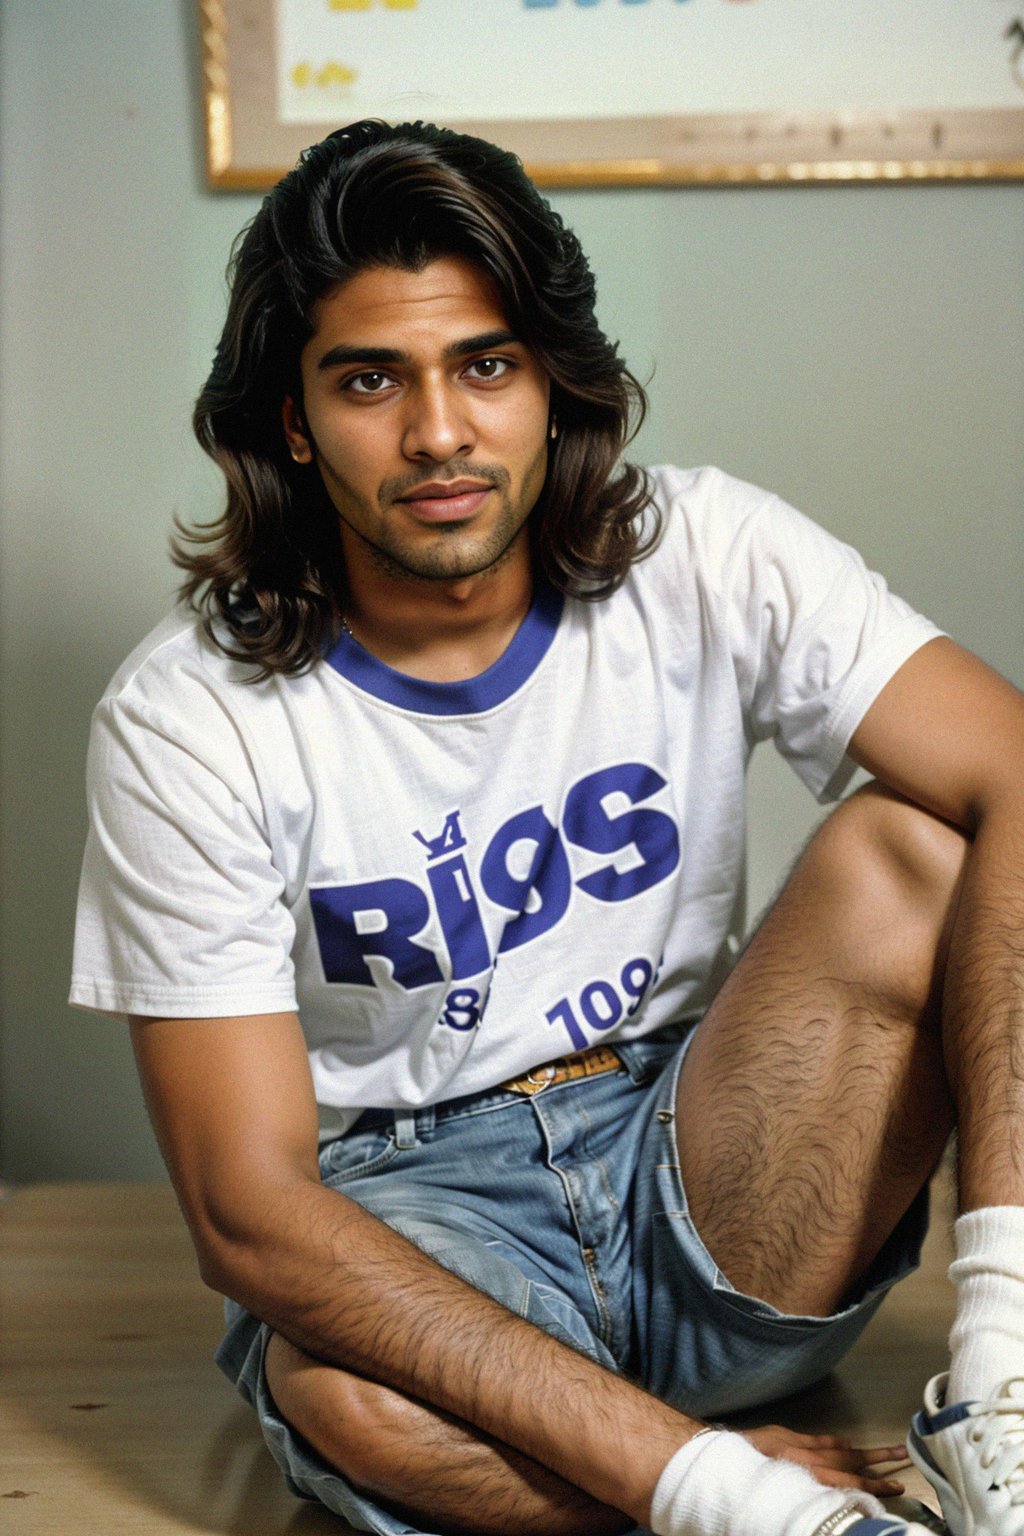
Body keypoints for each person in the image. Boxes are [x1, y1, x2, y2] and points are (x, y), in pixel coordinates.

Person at [70, 119, 1024, 1536]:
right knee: (334, 1387)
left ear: (552, 386)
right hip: (428, 1213)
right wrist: (724, 1494)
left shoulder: (704, 552)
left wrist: (1002, 1333)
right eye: (369, 379)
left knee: (922, 849)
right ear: (293, 418)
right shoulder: (185, 719)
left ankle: (996, 1413)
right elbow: (247, 1210)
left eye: (486, 365)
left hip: (708, 1173)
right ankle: (742, 1511)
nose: (438, 431)